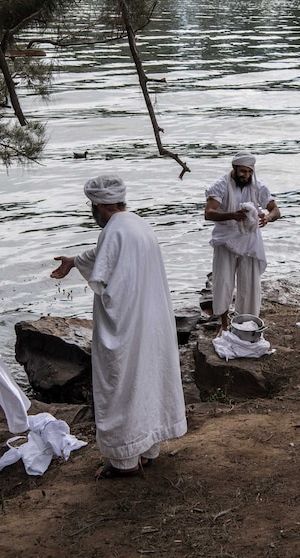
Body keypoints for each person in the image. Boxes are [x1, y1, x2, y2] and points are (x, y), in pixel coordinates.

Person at [51, 175, 187, 479]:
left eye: (91, 206)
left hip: (126, 325)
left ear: (99, 205)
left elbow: (104, 276)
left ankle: (124, 460)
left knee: (120, 383)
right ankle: (148, 449)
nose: (92, 211)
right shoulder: (138, 224)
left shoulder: (113, 231)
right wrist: (74, 261)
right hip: (151, 320)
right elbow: (105, 257)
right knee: (148, 379)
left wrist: (83, 270)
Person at [205, 151, 281, 333]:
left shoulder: (257, 187)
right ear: (234, 168)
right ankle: (224, 326)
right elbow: (209, 213)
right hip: (226, 241)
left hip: (250, 242)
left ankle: (247, 325)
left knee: (250, 284)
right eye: (242, 172)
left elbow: (276, 210)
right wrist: (232, 215)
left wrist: (268, 218)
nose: (246, 176)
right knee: (223, 282)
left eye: (249, 172)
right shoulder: (220, 186)